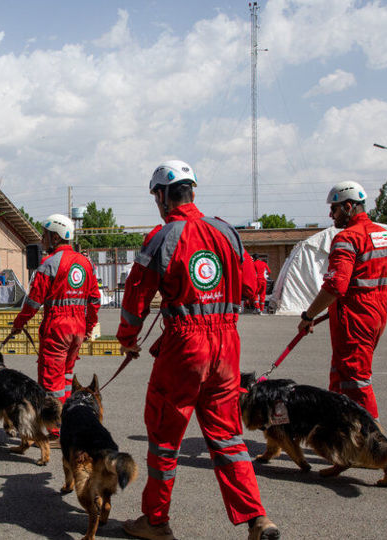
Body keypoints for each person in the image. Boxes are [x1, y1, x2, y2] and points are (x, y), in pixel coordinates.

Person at [116, 161, 278, 540]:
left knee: (164, 437)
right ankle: (258, 520)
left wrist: (128, 338)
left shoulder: (163, 237)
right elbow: (254, 287)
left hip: (186, 348)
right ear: (193, 192)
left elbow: (137, 296)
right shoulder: (227, 232)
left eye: (156, 196)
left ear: (162, 196)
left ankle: (156, 522)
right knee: (228, 439)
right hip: (226, 346)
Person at [298, 181, 387, 420]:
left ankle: (374, 447)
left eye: (334, 209)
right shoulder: (384, 236)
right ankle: (337, 433)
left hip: (354, 318)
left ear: (348, 207)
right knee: (341, 376)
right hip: (375, 313)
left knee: (356, 381)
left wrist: (309, 316)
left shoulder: (347, 238)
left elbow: (336, 285)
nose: (330, 214)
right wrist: (372, 293)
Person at [8, 213, 100, 440]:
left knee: (51, 383)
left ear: (55, 236)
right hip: (77, 328)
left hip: (57, 328)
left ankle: (55, 431)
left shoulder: (49, 264)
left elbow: (33, 302)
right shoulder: (86, 263)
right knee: (67, 379)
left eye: (45, 235)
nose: (42, 239)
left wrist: (19, 323)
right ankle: (66, 421)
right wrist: (89, 326)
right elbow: (95, 299)